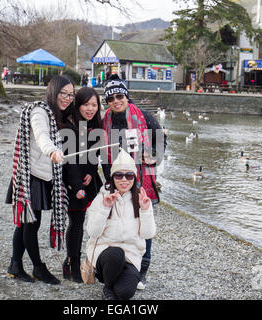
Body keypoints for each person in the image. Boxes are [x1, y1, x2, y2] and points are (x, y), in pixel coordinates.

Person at [5, 75, 75, 285]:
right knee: (31, 225)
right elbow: (41, 135)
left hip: (44, 174)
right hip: (31, 176)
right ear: (53, 91)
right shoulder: (39, 111)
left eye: (71, 95)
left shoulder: (59, 114)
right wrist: (52, 151)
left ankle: (15, 265)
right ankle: (38, 268)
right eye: (63, 93)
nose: (67, 98)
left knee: (25, 224)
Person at [101, 74, 167, 290]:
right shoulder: (105, 122)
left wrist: (153, 154)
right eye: (110, 99)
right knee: (119, 222)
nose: (116, 101)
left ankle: (142, 271)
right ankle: (124, 265)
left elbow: (161, 139)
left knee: (143, 225)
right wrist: (106, 178)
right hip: (116, 180)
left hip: (141, 179)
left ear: (126, 95)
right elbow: (102, 153)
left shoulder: (144, 117)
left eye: (119, 95)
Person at [85, 149, 156, 300]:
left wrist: (145, 211)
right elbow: (93, 232)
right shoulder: (102, 197)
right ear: (112, 178)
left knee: (125, 292)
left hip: (131, 254)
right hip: (105, 251)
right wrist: (105, 208)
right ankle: (107, 286)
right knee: (116, 254)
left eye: (129, 175)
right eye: (119, 175)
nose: (124, 180)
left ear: (134, 178)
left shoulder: (140, 199)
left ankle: (111, 287)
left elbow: (148, 234)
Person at [61, 87, 103, 283]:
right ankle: (71, 262)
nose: (90, 108)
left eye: (94, 105)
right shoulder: (69, 126)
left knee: (94, 220)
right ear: (78, 104)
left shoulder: (95, 124)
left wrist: (90, 172)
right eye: (86, 104)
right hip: (71, 182)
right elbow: (70, 161)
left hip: (90, 181)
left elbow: (95, 156)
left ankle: (94, 261)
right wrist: (77, 185)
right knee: (76, 222)